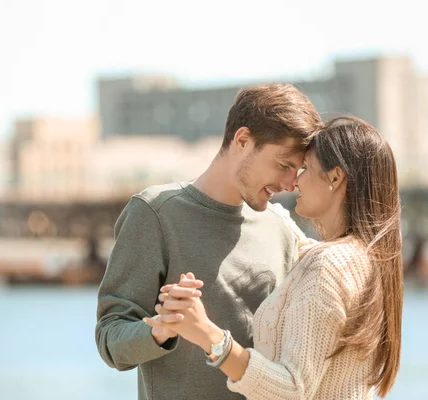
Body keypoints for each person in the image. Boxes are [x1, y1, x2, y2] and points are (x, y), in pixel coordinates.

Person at [146, 116, 404, 399]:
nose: (294, 182)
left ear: (335, 177)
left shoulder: (328, 266)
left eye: (305, 168)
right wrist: (253, 191)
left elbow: (291, 389)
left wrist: (207, 334)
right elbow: (301, 245)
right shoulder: (364, 259)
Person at [95, 84, 323, 400]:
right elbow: (111, 339)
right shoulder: (155, 214)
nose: (288, 183)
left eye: (296, 170)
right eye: (284, 165)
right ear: (243, 140)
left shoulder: (281, 230)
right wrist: (162, 329)